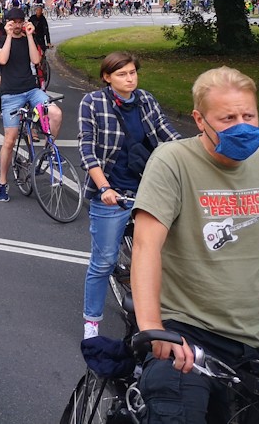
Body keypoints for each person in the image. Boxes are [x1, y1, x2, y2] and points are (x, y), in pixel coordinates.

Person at [132, 67, 259, 424]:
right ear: (199, 119)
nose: (242, 125)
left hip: (250, 336)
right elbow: (146, 246)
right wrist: (152, 327)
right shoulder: (172, 161)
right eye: (228, 118)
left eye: (248, 115)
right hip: (185, 332)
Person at [77, 51, 181, 339]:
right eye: (122, 74)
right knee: (104, 261)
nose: (130, 78)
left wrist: (194, 157)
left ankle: (160, 316)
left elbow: (168, 134)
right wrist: (105, 188)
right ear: (107, 77)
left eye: (133, 72)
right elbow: (87, 151)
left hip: (147, 190)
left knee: (161, 257)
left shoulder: (146, 100)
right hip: (112, 192)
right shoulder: (93, 103)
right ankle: (92, 322)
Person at [0, 7, 61, 202]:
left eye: (19, 20)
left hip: (31, 90)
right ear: (7, 22)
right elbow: (2, 59)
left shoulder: (26, 37)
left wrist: (30, 36)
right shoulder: (0, 39)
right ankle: (3, 182)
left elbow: (35, 60)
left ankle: (48, 150)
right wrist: (8, 36)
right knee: (10, 139)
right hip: (10, 94)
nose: (17, 24)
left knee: (56, 113)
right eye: (13, 21)